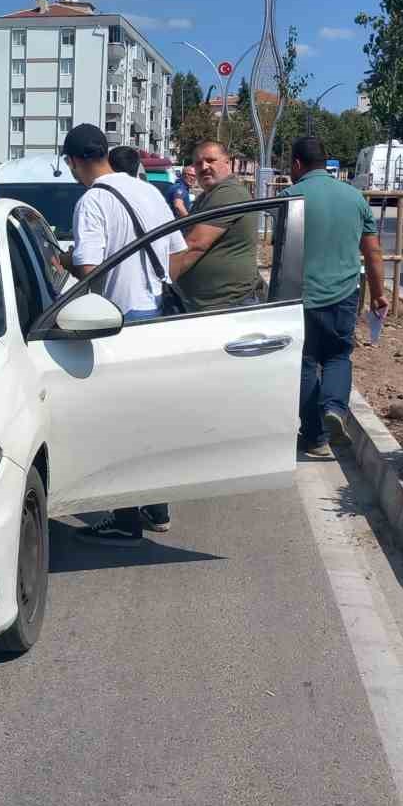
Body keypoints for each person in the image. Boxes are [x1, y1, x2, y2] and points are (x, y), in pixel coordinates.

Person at [63, 124, 184, 541]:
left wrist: (67, 262)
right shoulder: (147, 191)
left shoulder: (93, 200)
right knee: (150, 416)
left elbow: (87, 269)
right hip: (156, 314)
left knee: (120, 421)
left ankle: (126, 517)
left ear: (74, 161)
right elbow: (178, 252)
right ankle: (157, 507)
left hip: (119, 320)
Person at [283, 134, 388, 457]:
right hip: (344, 295)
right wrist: (378, 295)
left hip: (301, 297)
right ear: (326, 163)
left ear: (297, 164)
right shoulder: (355, 198)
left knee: (305, 361)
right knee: (338, 356)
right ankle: (335, 409)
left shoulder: (290, 197)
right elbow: (373, 253)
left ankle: (315, 439)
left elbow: (282, 254)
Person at [171, 141, 262, 311]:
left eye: (210, 160)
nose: (204, 167)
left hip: (226, 307)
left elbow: (195, 245)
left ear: (228, 163)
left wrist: (161, 279)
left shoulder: (228, 192)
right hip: (211, 305)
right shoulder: (206, 196)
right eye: (198, 163)